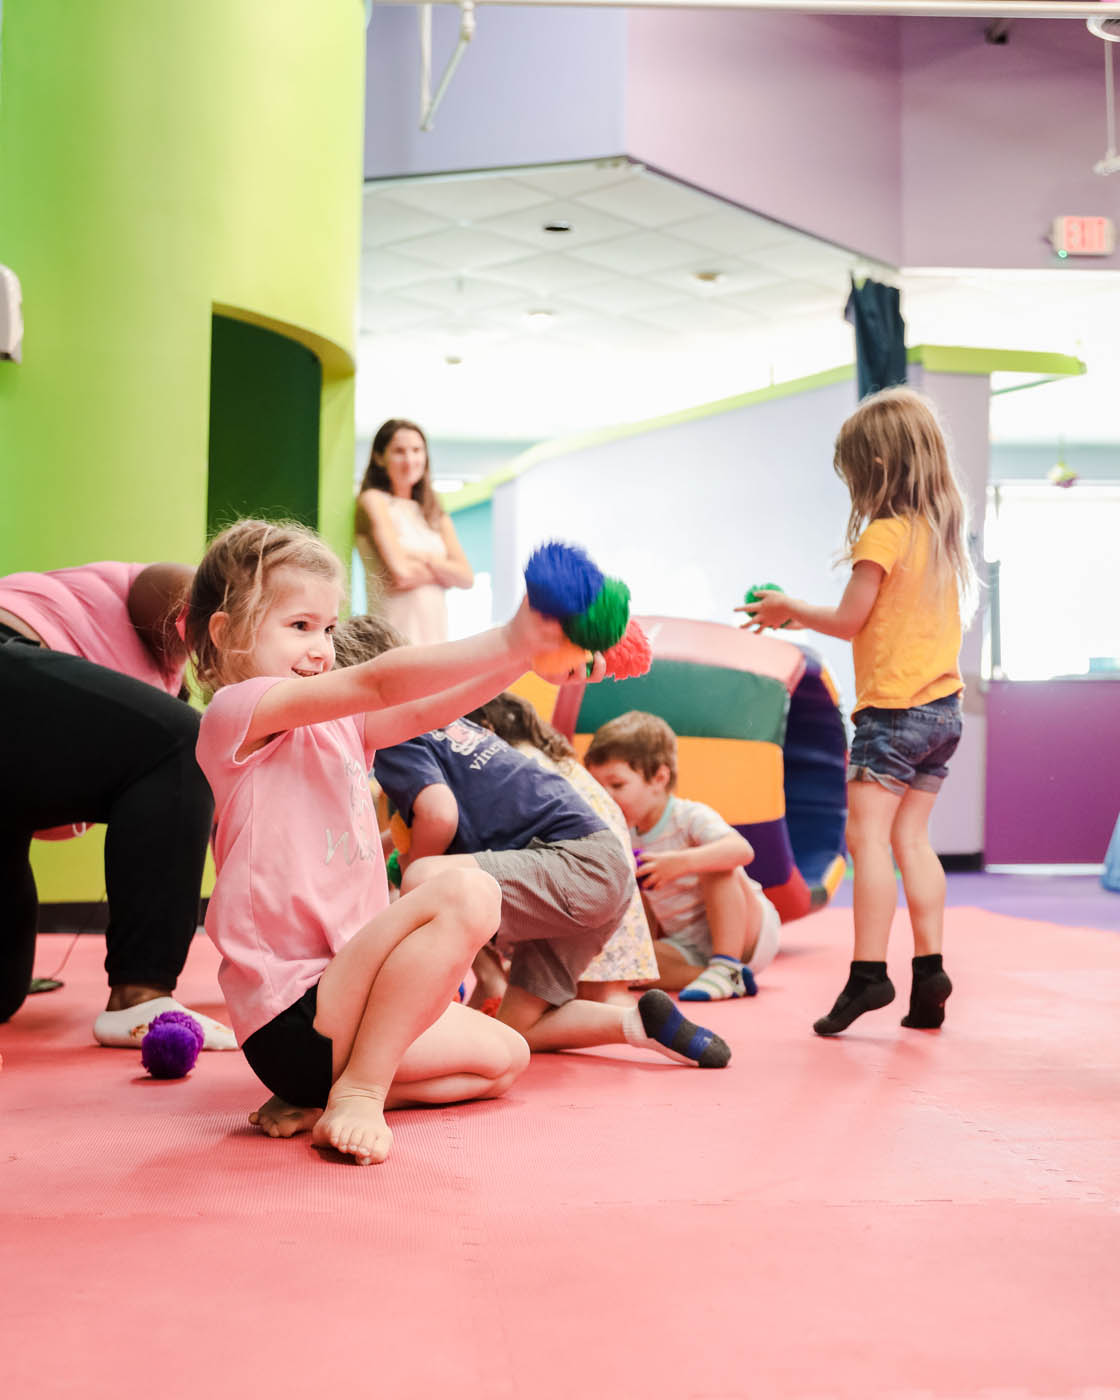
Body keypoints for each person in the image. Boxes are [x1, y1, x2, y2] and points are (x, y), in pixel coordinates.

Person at [187, 521, 583, 1166]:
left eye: (328, 628)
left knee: (506, 1060)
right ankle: (363, 1092)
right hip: (294, 1014)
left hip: (352, 1002)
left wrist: (527, 660)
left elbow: (431, 708)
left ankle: (325, 1096)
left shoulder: (343, 728)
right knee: (467, 889)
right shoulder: (237, 714)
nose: (320, 648)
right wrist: (511, 634)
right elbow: (380, 682)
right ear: (226, 633)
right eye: (298, 626)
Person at [331, 616, 731, 1072]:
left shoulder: (393, 733)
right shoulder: (450, 722)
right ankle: (638, 1024)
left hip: (572, 864)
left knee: (427, 881)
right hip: (598, 872)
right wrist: (388, 851)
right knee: (513, 1029)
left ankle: (415, 1011)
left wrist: (413, 868)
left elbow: (439, 814)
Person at [738, 386, 976, 1036]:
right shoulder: (939, 534)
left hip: (894, 714)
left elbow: (848, 620)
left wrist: (789, 608)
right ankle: (930, 970)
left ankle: (869, 974)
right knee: (910, 839)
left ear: (874, 468)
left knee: (866, 839)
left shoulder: (885, 533)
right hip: (942, 713)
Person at [0, 560, 232, 1049]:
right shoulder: (148, 593)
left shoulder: (140, 710)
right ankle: (139, 995)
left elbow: (202, 828)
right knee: (186, 739)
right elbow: (179, 595)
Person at [466, 692, 658, 1005]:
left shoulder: (507, 764)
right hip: (615, 900)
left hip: (579, 888)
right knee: (600, 997)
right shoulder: (553, 759)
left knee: (458, 874)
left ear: (486, 729)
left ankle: (492, 984)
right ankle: (635, 1020)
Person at [585, 711, 781, 1003]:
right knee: (624, 968)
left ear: (659, 778)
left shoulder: (689, 817)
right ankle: (723, 976)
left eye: (616, 785)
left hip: (747, 934)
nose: (605, 797)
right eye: (597, 787)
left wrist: (680, 862)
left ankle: (727, 964)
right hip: (686, 945)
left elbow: (742, 850)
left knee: (717, 862)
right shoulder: (622, 832)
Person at [354, 418, 474, 644]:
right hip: (392, 637)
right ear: (379, 457)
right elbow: (402, 574)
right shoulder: (373, 501)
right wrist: (443, 572)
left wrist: (422, 558)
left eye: (417, 450)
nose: (410, 460)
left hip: (434, 638)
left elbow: (466, 578)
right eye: (399, 451)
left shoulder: (432, 508)